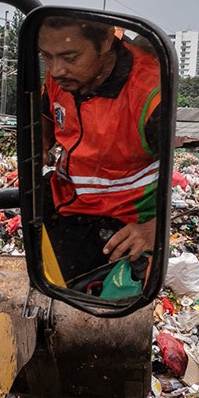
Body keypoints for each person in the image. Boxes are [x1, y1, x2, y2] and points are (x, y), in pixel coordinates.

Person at [39, 16, 161, 283]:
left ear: (106, 40)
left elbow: (174, 171)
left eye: (70, 57)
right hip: (63, 200)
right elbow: (46, 115)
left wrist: (154, 229)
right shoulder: (59, 78)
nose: (56, 70)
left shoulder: (150, 94)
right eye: (47, 57)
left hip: (121, 222)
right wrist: (42, 144)